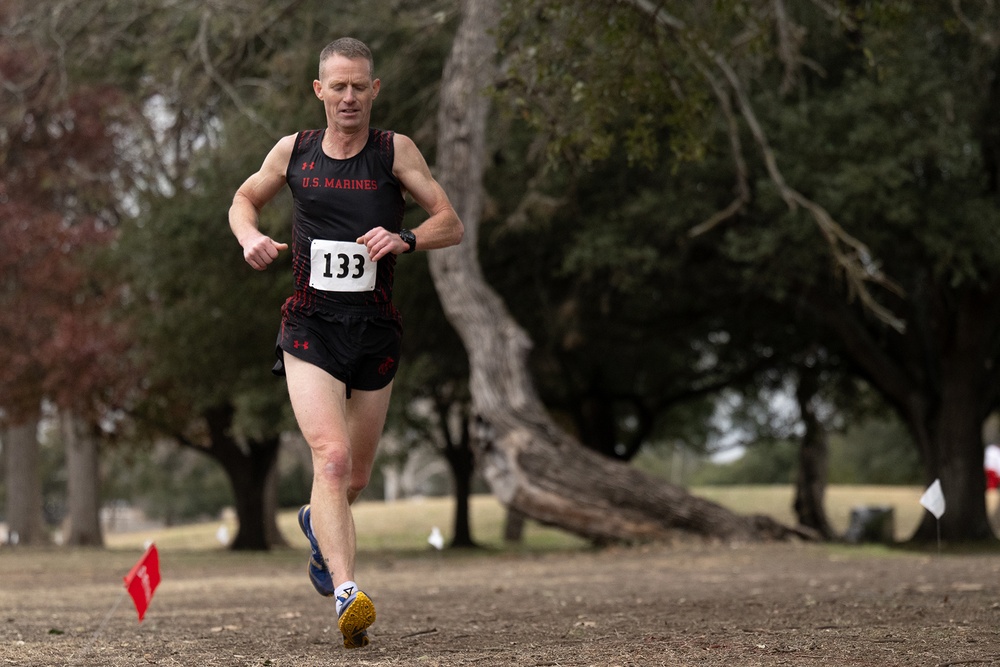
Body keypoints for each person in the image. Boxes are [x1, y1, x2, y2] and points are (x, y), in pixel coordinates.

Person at [228, 37, 463, 649]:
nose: (350, 96)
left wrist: (406, 238)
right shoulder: (295, 151)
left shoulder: (394, 152)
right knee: (328, 459)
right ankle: (347, 594)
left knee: (353, 477)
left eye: (360, 85)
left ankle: (314, 524)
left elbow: (451, 222)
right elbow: (244, 198)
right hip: (310, 325)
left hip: (375, 328)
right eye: (339, 86)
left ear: (374, 90)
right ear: (320, 91)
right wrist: (249, 236)